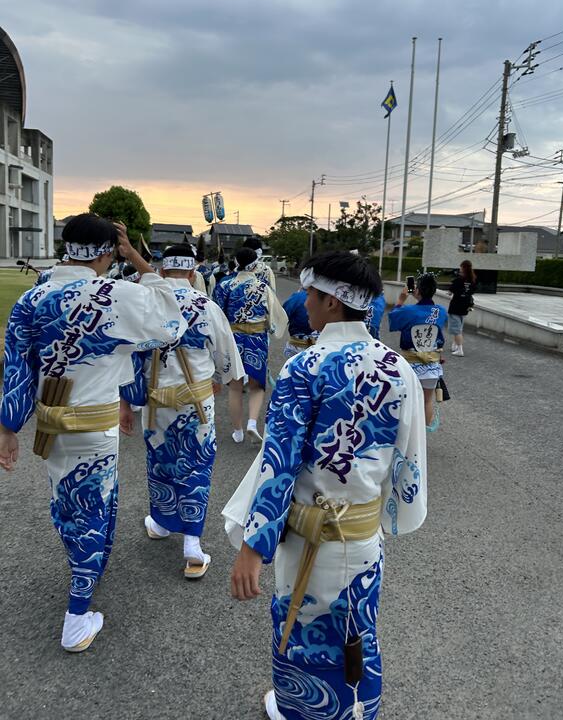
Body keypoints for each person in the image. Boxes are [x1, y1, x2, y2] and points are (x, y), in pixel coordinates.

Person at [223, 251, 427, 720]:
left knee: (303, 630)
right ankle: (357, 709)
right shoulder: (399, 370)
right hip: (361, 536)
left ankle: (305, 710)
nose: (305, 303)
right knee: (358, 629)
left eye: (311, 295)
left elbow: (279, 463)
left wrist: (254, 545)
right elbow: (408, 458)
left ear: (332, 302)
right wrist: (387, 511)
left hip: (308, 535)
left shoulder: (304, 368)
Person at [0, 214, 186, 652]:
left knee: (67, 504)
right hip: (95, 425)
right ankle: (76, 616)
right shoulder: (119, 294)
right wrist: (142, 265)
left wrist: (8, 428)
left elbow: (16, 368)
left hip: (51, 424)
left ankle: (87, 569)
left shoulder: (34, 297)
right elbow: (171, 327)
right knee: (93, 509)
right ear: (108, 252)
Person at [121, 244, 245, 578]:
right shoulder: (205, 305)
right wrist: (218, 378)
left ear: (162, 272)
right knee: (196, 463)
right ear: (193, 274)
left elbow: (132, 356)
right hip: (196, 400)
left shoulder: (148, 305)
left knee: (160, 459)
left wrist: (127, 401)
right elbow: (225, 356)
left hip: (156, 399)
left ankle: (161, 522)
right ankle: (191, 544)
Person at [213, 246, 286, 444]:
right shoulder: (263, 287)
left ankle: (238, 431)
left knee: (235, 387)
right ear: (256, 264)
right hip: (257, 338)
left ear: (236, 261)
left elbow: (217, 313)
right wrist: (270, 329)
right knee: (257, 386)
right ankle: (252, 423)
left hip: (233, 338)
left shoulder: (224, 284)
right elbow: (276, 317)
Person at [388, 273, 447, 430]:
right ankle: (423, 435)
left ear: (417, 290)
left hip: (410, 364)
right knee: (427, 400)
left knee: (408, 401)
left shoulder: (407, 311)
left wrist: (401, 299)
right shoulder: (440, 311)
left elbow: (393, 319)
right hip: (431, 365)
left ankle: (408, 436)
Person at [448, 259, 476, 357]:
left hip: (455, 306)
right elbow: (472, 292)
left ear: (463, 268)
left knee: (456, 329)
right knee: (459, 327)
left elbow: (450, 291)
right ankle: (455, 345)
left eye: (461, 267)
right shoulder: (472, 280)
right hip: (465, 307)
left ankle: (460, 349)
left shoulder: (458, 280)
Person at [282, 286, 317, 358]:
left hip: (297, 345)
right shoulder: (326, 297)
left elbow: (283, 315)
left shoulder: (298, 297)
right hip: (319, 347)